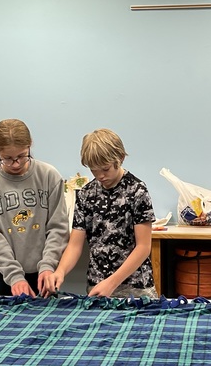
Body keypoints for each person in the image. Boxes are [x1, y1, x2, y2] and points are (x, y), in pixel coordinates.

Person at [50, 128, 157, 298]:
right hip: (97, 286)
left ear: (120, 159)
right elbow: (75, 245)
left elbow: (143, 247)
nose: (100, 176)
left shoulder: (137, 191)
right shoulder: (86, 194)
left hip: (135, 289)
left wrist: (112, 282)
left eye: (105, 169)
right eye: (94, 170)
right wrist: (60, 271)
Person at [0, 119, 70, 297]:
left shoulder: (49, 176)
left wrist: (48, 265)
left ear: (30, 146)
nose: (16, 163)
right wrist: (15, 276)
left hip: (46, 274)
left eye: (22, 156)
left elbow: (58, 227)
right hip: (8, 275)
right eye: (8, 159)